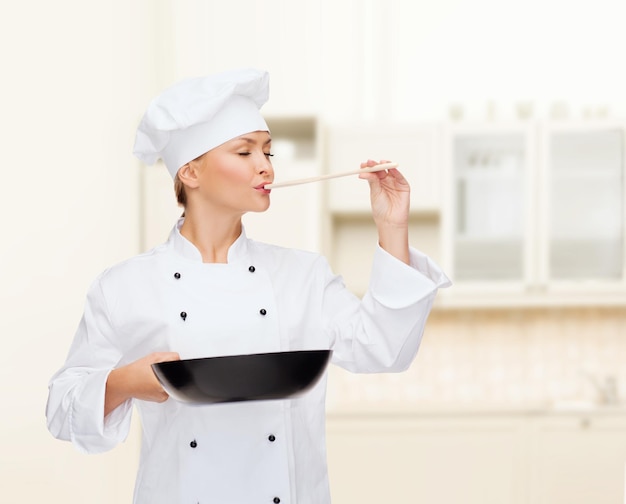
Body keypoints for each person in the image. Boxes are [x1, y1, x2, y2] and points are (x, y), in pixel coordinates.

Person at [46, 68, 450, 504]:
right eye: (244, 152)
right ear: (191, 173)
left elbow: (385, 349)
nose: (266, 166)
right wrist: (123, 382)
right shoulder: (125, 287)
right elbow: (61, 411)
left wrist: (393, 226)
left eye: (268, 152)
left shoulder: (303, 276)